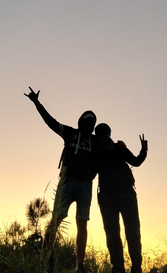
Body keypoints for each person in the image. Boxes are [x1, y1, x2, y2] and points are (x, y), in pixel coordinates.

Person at [25, 86, 97, 273]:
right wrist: (37, 103)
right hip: (68, 182)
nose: (89, 124)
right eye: (87, 120)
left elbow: (110, 149)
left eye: (92, 122)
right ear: (81, 121)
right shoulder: (70, 132)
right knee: (56, 219)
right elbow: (51, 122)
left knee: (82, 222)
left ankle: (79, 266)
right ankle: (44, 260)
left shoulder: (96, 141)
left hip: (85, 185)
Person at [95, 123, 148, 273]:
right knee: (112, 233)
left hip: (126, 194)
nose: (103, 136)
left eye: (106, 133)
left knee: (133, 231)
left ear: (109, 134)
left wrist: (144, 150)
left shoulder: (119, 148)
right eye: (100, 134)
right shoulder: (95, 152)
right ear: (97, 136)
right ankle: (118, 268)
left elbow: (136, 161)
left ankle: (136, 267)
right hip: (106, 197)